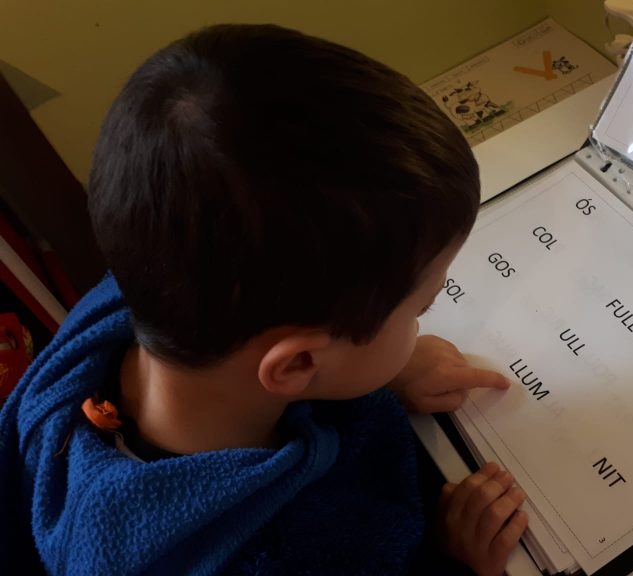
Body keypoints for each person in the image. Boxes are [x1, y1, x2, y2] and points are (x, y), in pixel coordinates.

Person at [0, 23, 529, 575]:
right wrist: (457, 561)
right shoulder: (294, 553)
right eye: (419, 310)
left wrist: (381, 371)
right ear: (298, 364)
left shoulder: (147, 287)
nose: (420, 324)